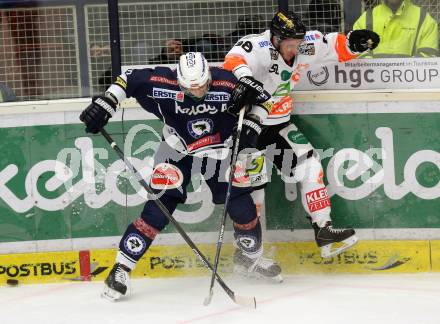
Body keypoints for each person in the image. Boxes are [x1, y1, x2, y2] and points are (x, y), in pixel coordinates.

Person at [79, 52, 282, 301]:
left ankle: (248, 258)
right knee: (158, 209)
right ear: (179, 80)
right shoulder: (162, 82)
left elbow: (265, 99)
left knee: (241, 204)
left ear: (210, 75)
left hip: (219, 153)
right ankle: (120, 269)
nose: (198, 92)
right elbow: (128, 78)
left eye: (203, 86)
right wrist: (107, 101)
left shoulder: (228, 82)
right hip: (176, 151)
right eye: (190, 88)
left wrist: (253, 122)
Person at [223, 11, 380, 258]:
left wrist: (355, 43)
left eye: (297, 43)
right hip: (250, 130)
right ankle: (248, 254)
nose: (294, 50)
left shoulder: (305, 44)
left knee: (310, 166)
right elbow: (233, 59)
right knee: (254, 191)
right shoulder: (257, 46)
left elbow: (334, 46)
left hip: (279, 126)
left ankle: (323, 228)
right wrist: (246, 80)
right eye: (289, 44)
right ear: (275, 38)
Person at [353, 0, 438, 57]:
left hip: (411, 83)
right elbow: (358, 57)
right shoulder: (366, 19)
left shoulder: (424, 19)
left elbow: (428, 59)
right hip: (374, 82)